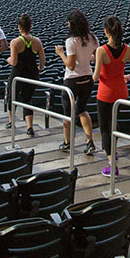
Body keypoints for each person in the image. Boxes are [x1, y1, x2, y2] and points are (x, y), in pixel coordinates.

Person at [93, 16, 130, 178]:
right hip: (121, 93)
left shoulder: (102, 50)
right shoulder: (127, 49)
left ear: (106, 31)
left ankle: (112, 165)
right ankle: (112, 153)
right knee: (114, 125)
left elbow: (95, 77)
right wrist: (127, 76)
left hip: (105, 94)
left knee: (105, 129)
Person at [55, 10, 99, 154]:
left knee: (67, 113)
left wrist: (61, 53)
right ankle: (89, 141)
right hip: (87, 79)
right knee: (82, 109)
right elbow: (96, 58)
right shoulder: (93, 38)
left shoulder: (71, 41)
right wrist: (86, 57)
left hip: (72, 81)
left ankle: (68, 142)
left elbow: (71, 65)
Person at [5, 13, 45, 136]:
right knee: (27, 100)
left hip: (18, 75)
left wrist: (8, 60)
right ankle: (29, 127)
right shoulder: (37, 42)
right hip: (32, 75)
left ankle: (12, 122)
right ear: (30, 26)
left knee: (12, 97)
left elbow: (14, 61)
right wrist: (38, 68)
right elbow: (42, 61)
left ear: (19, 27)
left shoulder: (15, 42)